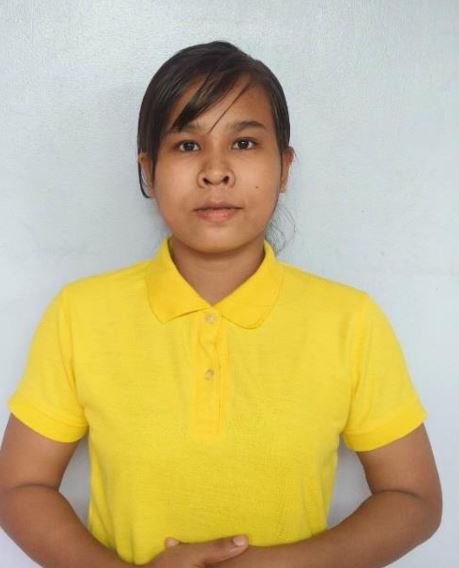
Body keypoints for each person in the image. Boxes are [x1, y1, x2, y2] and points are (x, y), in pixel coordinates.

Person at [0, 41, 442, 568]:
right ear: (148, 171)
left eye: (244, 143)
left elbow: (413, 498)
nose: (216, 171)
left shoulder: (349, 321)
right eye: (187, 145)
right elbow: (20, 486)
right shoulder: (80, 315)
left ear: (284, 167)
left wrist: (282, 565)